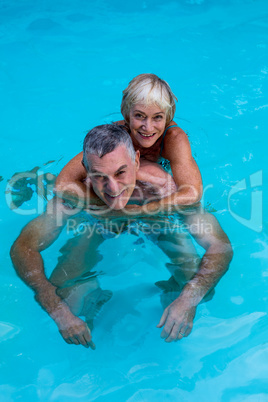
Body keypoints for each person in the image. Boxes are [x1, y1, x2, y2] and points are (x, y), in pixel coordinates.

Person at [10, 124, 233, 349]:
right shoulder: (75, 194)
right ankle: (94, 300)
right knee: (65, 296)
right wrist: (56, 309)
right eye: (99, 177)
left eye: (120, 172)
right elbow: (24, 247)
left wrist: (187, 300)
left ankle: (171, 293)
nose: (113, 188)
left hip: (157, 223)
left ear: (136, 161)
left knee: (201, 289)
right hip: (98, 225)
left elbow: (219, 245)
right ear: (86, 169)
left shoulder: (163, 189)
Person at [55, 74, 202, 212]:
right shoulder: (117, 135)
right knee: (60, 201)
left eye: (157, 117)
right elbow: (63, 183)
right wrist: (110, 204)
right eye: (139, 116)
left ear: (167, 117)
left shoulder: (174, 139)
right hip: (127, 175)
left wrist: (143, 210)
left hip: (152, 173)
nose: (148, 127)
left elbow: (192, 193)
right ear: (126, 114)